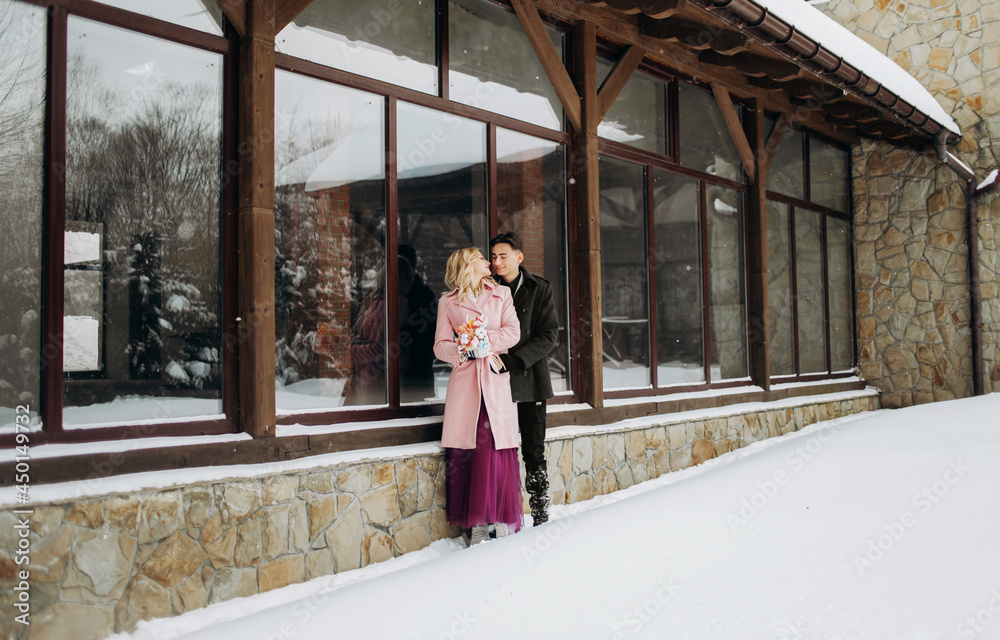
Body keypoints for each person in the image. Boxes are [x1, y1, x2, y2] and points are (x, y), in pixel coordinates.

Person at [434, 247, 523, 545]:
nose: (489, 262)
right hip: (466, 383)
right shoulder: (448, 302)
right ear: (468, 265)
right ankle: (478, 525)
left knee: (496, 449)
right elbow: (440, 345)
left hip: (494, 379)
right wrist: (462, 349)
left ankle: (501, 518)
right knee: (470, 450)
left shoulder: (501, 294)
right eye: (482, 258)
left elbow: (513, 332)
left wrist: (484, 340)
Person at [489, 231, 559, 525]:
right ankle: (501, 513)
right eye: (493, 256)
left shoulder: (539, 288)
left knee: (533, 447)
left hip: (530, 378)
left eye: (503, 256)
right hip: (495, 380)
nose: (497, 262)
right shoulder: (486, 288)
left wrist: (517, 359)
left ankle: (540, 511)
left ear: (519, 257)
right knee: (498, 448)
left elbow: (548, 335)